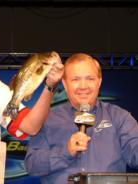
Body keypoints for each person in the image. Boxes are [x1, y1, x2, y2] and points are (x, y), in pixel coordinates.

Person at [24, 53, 138, 184]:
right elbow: (32, 165)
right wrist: (66, 151)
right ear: (65, 84)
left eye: (90, 78)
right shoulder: (47, 119)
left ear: (99, 82)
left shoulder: (120, 117)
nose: (83, 86)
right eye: (75, 79)